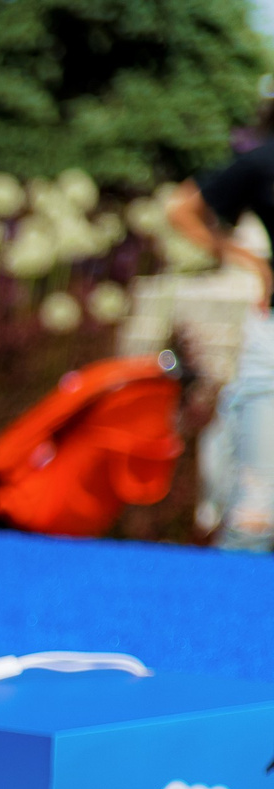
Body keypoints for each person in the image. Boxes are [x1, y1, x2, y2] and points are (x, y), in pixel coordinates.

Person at [169, 146, 274, 550]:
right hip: (270, 346)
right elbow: (182, 209)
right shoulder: (263, 163)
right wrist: (246, 259)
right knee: (254, 515)